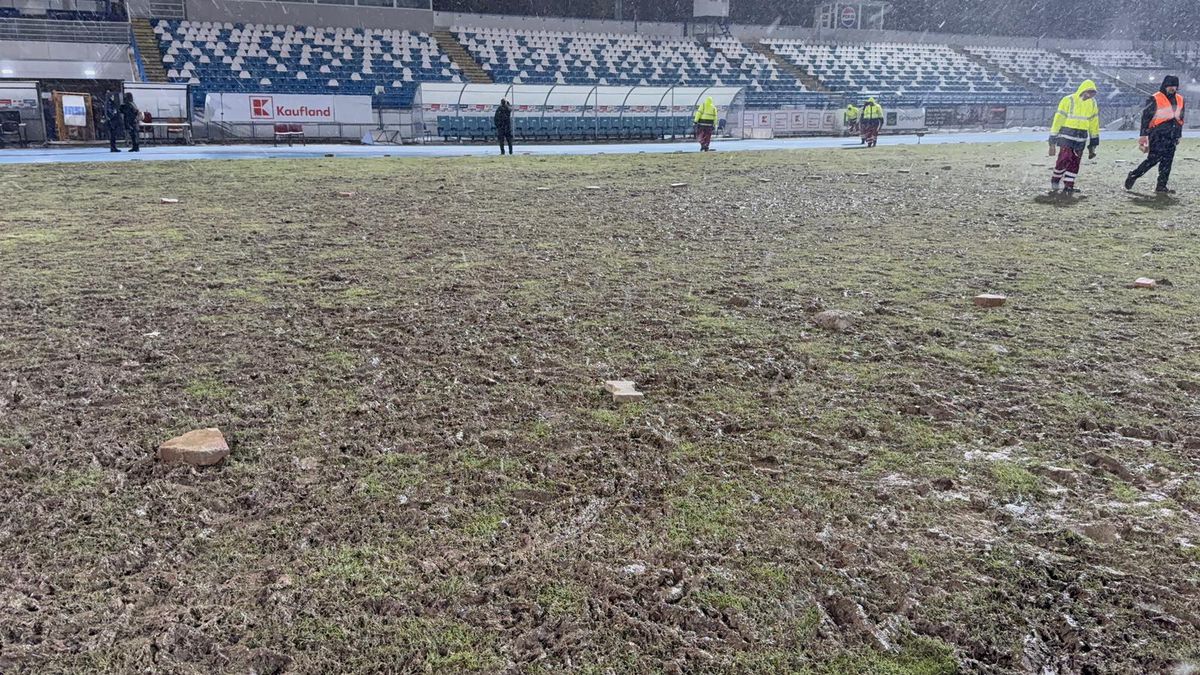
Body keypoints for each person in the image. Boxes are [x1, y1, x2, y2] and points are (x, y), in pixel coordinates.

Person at [1126, 75, 1184, 194]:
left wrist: (1178, 135)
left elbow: (1180, 118)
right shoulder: (1155, 98)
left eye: (1174, 86)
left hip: (1172, 135)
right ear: (1165, 86)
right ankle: (1133, 175)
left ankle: (1161, 186)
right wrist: (1143, 135)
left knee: (1167, 162)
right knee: (1153, 160)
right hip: (1158, 135)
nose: (1172, 88)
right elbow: (1145, 118)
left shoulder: (1180, 99)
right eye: (1170, 86)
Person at [1048, 80, 1100, 194]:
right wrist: (1053, 137)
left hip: (1081, 136)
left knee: (1075, 162)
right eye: (1089, 92)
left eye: (1092, 93)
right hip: (1066, 134)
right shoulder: (1068, 100)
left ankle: (1069, 185)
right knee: (1064, 158)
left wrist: (1094, 140)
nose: (1090, 96)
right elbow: (1058, 119)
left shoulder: (1092, 103)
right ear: (1083, 90)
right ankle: (1055, 180)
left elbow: (1094, 122)